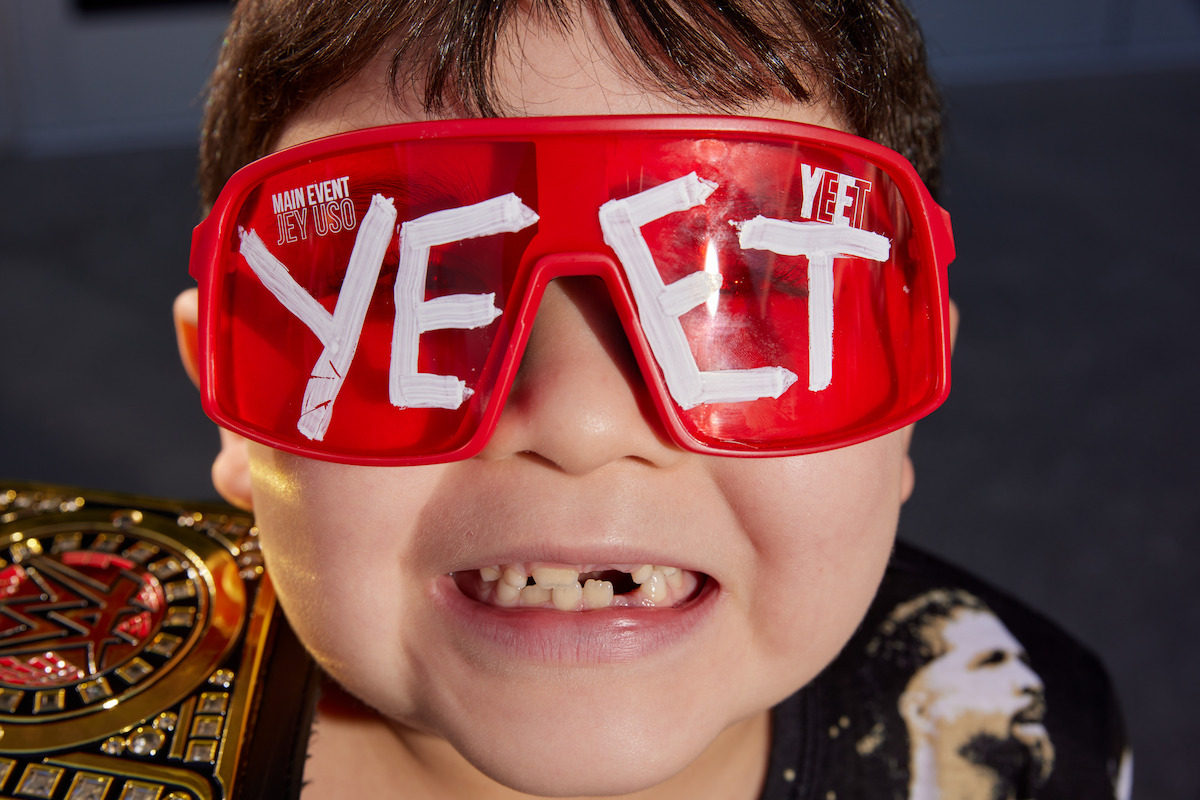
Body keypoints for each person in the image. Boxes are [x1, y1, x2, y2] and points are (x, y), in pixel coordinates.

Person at [171, 0, 1128, 797]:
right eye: (404, 286)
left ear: (910, 390)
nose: (582, 423)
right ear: (226, 400)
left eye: (745, 288)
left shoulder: (1029, 731)